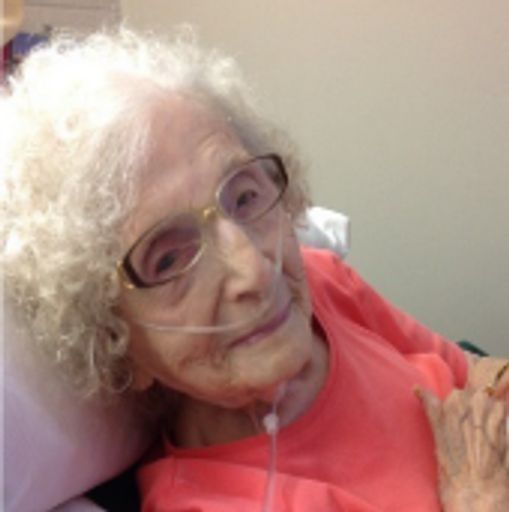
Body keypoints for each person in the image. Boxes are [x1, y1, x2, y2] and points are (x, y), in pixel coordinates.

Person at [1, 27, 508, 512]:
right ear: (114, 340)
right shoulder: (206, 504)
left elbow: (475, 371)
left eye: (244, 197)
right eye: (170, 258)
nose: (257, 272)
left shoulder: (323, 281)